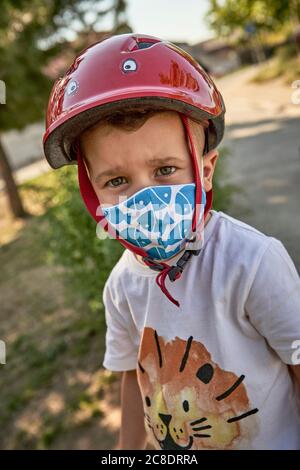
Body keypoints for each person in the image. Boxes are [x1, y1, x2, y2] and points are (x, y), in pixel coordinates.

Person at [43, 33, 300, 450]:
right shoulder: (121, 287)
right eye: (117, 181)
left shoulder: (251, 262)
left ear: (206, 170)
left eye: (165, 170)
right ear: (91, 191)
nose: (143, 198)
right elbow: (133, 375)